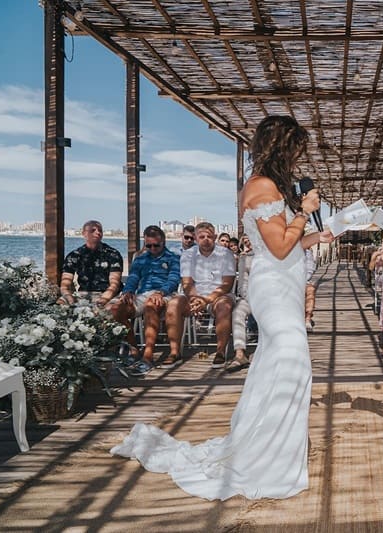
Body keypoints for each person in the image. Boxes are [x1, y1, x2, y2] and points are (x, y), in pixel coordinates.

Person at [111, 115, 334, 501]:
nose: (299, 157)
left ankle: (273, 445)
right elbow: (280, 246)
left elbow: (286, 243)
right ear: (281, 148)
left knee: (276, 364)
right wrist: (303, 210)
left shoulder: (269, 186)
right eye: (296, 149)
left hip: (285, 284)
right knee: (292, 360)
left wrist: (317, 236)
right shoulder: (261, 186)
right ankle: (269, 451)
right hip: (274, 287)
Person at [110, 225, 181, 374]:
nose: (152, 248)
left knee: (151, 305)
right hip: (142, 294)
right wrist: (128, 291)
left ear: (163, 242)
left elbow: (173, 280)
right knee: (116, 309)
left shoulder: (173, 258)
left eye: (156, 245)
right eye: (149, 246)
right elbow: (133, 278)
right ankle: (134, 348)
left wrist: (160, 292)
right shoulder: (140, 259)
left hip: (165, 293)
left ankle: (148, 356)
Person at [178, 222, 237, 369]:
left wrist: (206, 300)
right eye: (201, 236)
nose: (205, 239)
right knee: (173, 304)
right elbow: (187, 283)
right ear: (196, 238)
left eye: (209, 236)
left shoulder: (226, 254)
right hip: (194, 295)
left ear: (215, 237)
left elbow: (227, 284)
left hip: (219, 295)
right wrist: (195, 299)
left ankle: (220, 351)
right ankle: (174, 353)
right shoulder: (187, 255)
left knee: (224, 306)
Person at [58, 220, 123, 308]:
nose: (98, 232)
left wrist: (103, 300)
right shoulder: (74, 255)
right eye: (93, 230)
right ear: (84, 234)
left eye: (100, 230)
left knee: (112, 308)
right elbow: (65, 285)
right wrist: (69, 298)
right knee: (60, 303)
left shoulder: (113, 254)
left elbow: (114, 285)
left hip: (109, 294)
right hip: (84, 294)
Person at [227, 234, 254, 372]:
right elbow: (242, 284)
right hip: (250, 297)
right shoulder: (244, 257)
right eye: (245, 239)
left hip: (269, 298)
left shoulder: (272, 255)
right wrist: (250, 297)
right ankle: (239, 353)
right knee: (237, 312)